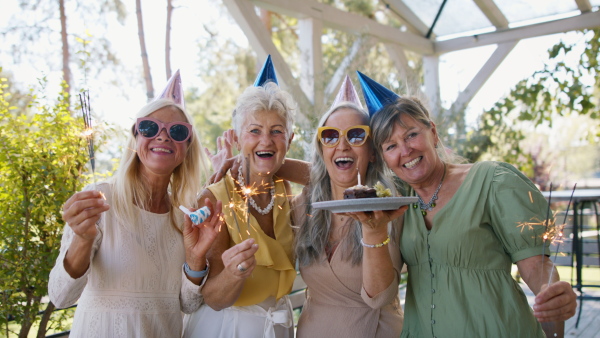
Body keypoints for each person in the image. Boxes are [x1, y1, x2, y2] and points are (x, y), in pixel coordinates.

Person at [360, 71, 578, 337]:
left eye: (411, 135)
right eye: (390, 146)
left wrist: (551, 291)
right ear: (383, 157)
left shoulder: (493, 181)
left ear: (433, 133)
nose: (405, 151)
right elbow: (332, 176)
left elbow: (535, 264)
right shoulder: (399, 201)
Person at [48, 83, 224, 337]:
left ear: (187, 149)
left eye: (177, 131)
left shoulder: (184, 216)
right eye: (150, 127)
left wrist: (196, 259)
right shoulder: (100, 198)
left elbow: (187, 304)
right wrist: (82, 239)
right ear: (135, 138)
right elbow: (60, 296)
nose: (163, 136)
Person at [182, 75, 298, 337]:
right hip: (228, 328)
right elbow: (213, 298)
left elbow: (332, 177)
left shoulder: (284, 188)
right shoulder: (213, 199)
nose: (266, 141)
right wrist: (234, 274)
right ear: (236, 138)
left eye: (277, 131)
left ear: (289, 141)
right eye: (254, 131)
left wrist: (257, 157)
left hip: (278, 325)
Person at [293, 76, 407, 337]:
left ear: (374, 151)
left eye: (356, 136)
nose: (342, 145)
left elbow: (379, 297)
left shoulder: (388, 208)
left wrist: (374, 230)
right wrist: (239, 161)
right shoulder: (304, 207)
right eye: (330, 136)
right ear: (321, 149)